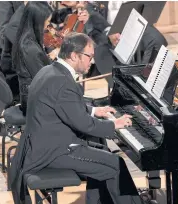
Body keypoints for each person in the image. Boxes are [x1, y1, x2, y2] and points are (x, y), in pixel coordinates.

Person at [9, 32, 147, 204]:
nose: (93, 61)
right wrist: (115, 125)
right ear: (74, 55)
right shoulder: (63, 82)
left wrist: (94, 110)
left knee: (104, 154)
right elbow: (85, 125)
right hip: (53, 152)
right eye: (89, 56)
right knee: (115, 164)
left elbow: (64, 106)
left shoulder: (49, 71)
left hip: (42, 145)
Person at [12, 2, 54, 115]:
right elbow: (42, 78)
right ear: (38, 21)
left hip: (33, 93)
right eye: (48, 21)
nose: (48, 25)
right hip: (34, 100)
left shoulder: (28, 38)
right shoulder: (29, 47)